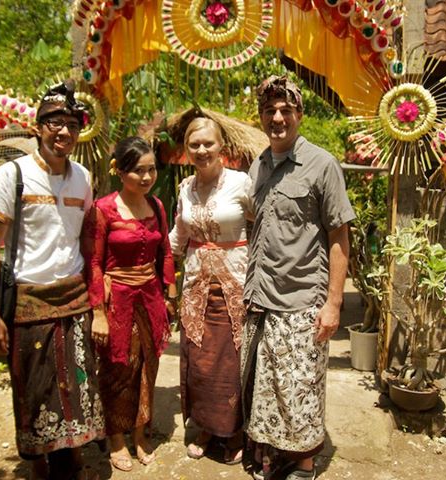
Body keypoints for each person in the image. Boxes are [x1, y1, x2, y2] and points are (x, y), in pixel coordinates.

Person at [0, 81, 105, 480]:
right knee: (35, 393)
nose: (63, 131)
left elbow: (86, 236)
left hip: (74, 300)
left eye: (70, 123)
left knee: (78, 389)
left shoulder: (83, 178)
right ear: (37, 127)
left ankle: (72, 459)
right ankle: (39, 463)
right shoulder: (11, 175)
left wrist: (99, 296)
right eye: (54, 122)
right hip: (28, 304)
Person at [241, 76, 355, 480]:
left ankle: (304, 465)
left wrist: (334, 303)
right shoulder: (258, 165)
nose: (277, 117)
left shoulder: (322, 165)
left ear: (299, 114)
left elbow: (340, 236)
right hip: (262, 299)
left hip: (303, 299)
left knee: (300, 389)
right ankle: (275, 456)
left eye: (286, 110)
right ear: (261, 117)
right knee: (269, 388)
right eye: (270, 110)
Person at [84, 136, 177, 473]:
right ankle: (116, 439)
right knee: (117, 371)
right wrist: (97, 313)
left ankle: (140, 432)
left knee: (147, 368)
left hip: (150, 299)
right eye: (138, 170)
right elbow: (93, 262)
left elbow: (164, 251)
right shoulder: (103, 209)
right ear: (121, 172)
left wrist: (170, 294)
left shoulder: (157, 206)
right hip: (117, 301)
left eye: (151, 169)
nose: (147, 177)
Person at [169, 117, 250, 465]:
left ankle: (233, 432)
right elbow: (178, 236)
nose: (202, 151)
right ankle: (205, 426)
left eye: (208, 144)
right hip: (196, 287)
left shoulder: (242, 183)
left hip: (236, 283)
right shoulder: (185, 187)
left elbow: (262, 228)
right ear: (186, 151)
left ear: (222, 148)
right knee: (200, 361)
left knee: (231, 361)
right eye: (194, 145)